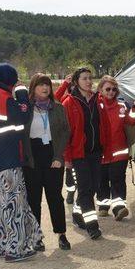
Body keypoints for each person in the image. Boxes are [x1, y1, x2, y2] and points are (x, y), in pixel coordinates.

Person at [0, 63, 43, 262]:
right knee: (14, 204)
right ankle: (16, 249)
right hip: (7, 159)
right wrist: (21, 91)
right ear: (8, 80)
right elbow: (23, 116)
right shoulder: (0, 97)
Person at [21, 73, 71, 251]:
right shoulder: (25, 108)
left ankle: (61, 234)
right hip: (32, 157)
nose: (45, 88)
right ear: (33, 88)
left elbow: (65, 132)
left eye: (47, 85)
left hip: (52, 154)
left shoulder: (57, 107)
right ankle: (36, 237)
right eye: (40, 85)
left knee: (55, 197)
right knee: (34, 198)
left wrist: (58, 156)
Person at [60, 67, 107, 240]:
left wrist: (105, 147)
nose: (88, 81)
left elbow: (105, 125)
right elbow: (64, 133)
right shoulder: (69, 103)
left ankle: (77, 214)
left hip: (96, 152)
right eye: (84, 78)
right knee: (86, 189)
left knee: (94, 187)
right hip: (79, 154)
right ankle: (92, 225)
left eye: (90, 78)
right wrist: (67, 157)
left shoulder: (97, 100)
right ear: (76, 82)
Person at [96, 75, 135, 221]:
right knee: (101, 180)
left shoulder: (122, 106)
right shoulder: (94, 105)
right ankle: (103, 206)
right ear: (100, 89)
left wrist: (134, 107)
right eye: (107, 89)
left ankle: (119, 208)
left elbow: (131, 122)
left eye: (114, 89)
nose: (111, 92)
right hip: (100, 152)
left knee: (118, 179)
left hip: (119, 151)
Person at [55, 74, 77, 205]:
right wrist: (64, 84)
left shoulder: (84, 98)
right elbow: (54, 98)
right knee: (69, 170)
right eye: (71, 86)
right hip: (66, 141)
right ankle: (70, 192)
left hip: (80, 140)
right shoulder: (64, 100)